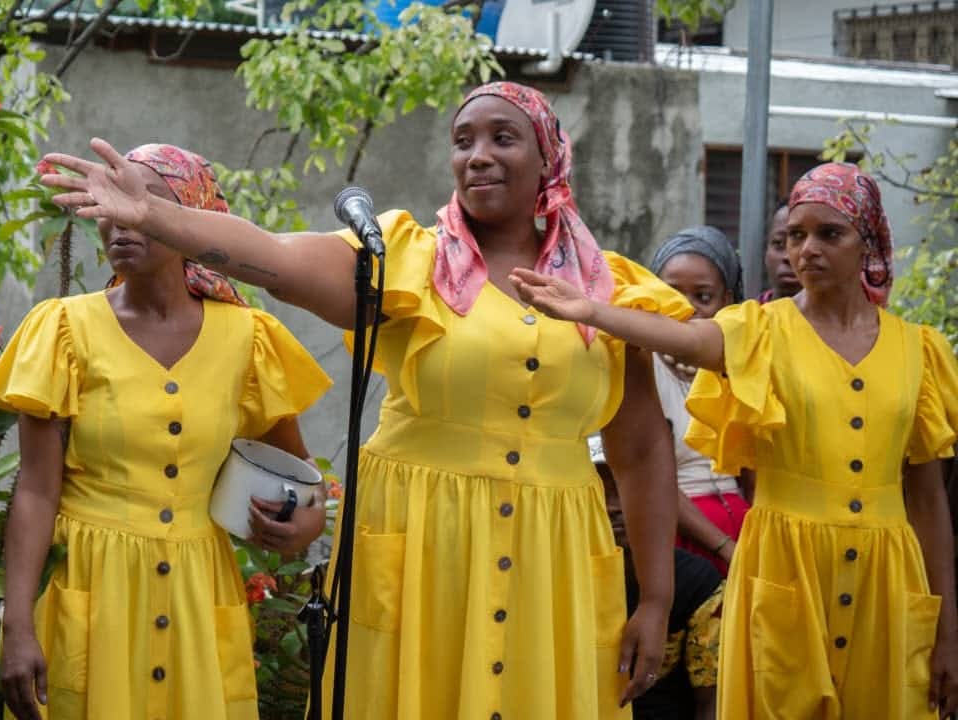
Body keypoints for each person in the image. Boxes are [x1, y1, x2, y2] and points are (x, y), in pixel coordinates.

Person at [40, 82, 694, 718]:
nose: (478, 155)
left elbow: (639, 451)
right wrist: (157, 216)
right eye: (462, 140)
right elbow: (276, 256)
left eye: (504, 137)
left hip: (553, 559)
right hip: (420, 546)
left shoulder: (611, 289)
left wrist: (655, 598)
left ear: (550, 156)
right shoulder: (403, 262)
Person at [511, 161, 958, 718]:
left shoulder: (921, 352)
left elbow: (929, 501)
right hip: (783, 565)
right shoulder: (760, 330)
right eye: (796, 235)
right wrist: (594, 313)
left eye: (829, 233)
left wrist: (948, 633)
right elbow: (686, 336)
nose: (807, 250)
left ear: (868, 241)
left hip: (887, 579)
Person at [0, 144, 333, 720]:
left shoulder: (248, 339)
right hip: (95, 593)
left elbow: (304, 483)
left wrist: (302, 524)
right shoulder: (65, 330)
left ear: (192, 220)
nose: (122, 218)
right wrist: (16, 625)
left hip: (201, 596)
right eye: (109, 202)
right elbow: (36, 490)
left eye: (143, 201)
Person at [590, 434, 723, 720]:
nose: (613, 506)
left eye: (624, 488)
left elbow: (710, 702)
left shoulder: (697, 582)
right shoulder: (555, 578)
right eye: (599, 489)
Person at [649, 226, 751, 574]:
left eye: (703, 297)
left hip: (747, 540)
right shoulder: (639, 368)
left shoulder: (740, 369)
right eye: (671, 294)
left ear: (727, 301)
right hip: (676, 544)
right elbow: (651, 480)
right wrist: (725, 546)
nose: (685, 309)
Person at [760, 200, 801, 302]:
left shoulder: (844, 317)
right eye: (779, 243)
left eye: (800, 246)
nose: (788, 257)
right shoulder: (747, 316)